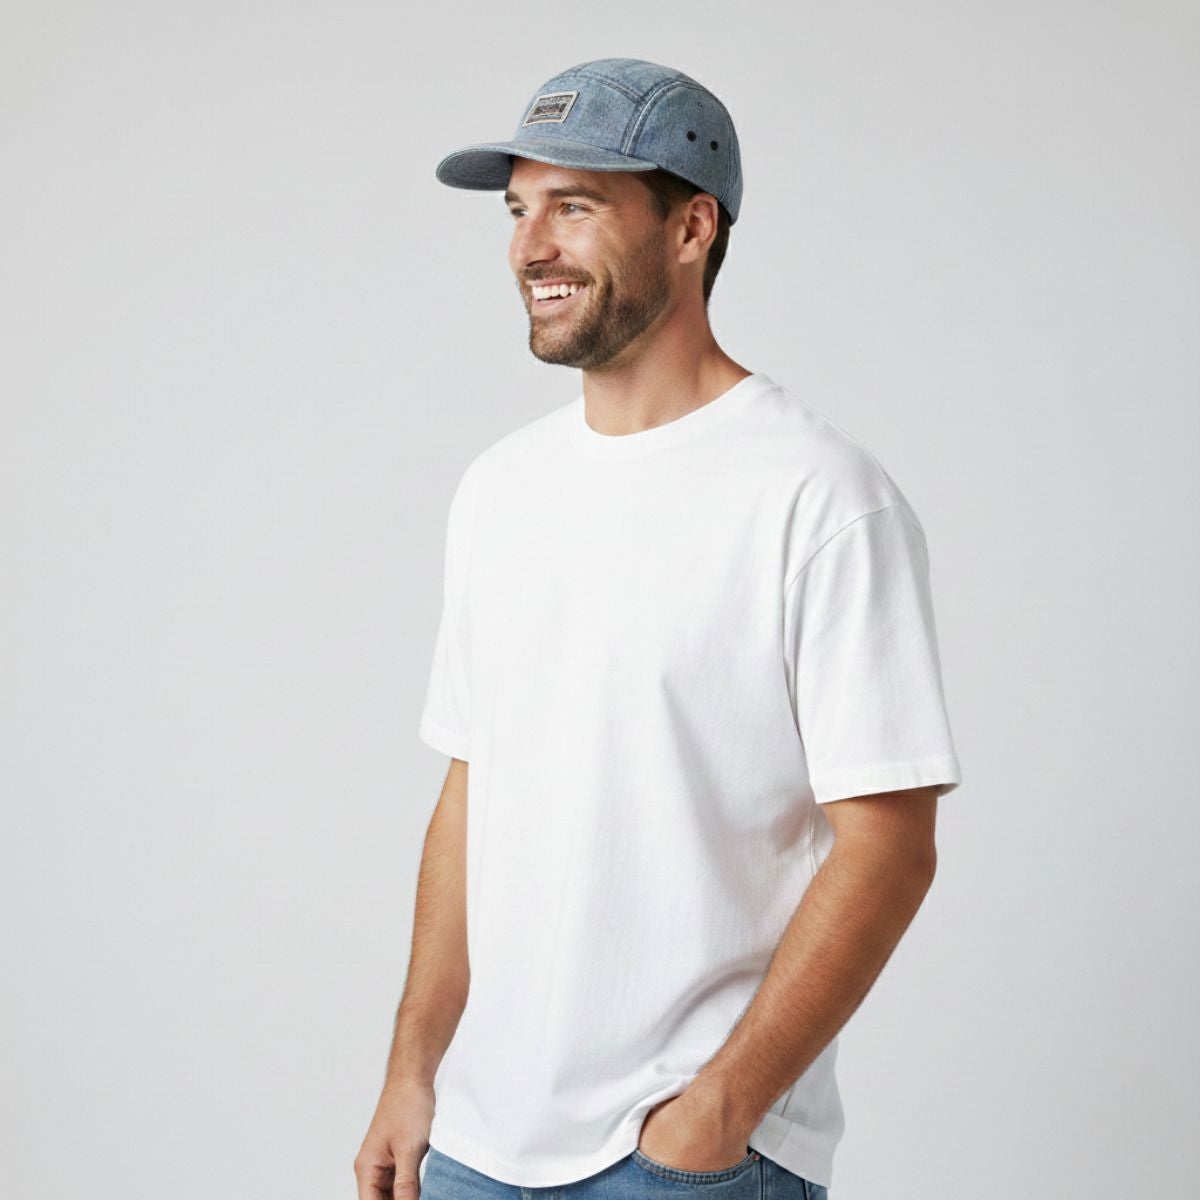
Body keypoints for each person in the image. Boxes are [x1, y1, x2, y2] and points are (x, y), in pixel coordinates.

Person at [355, 57, 963, 1200]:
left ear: (692, 229)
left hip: (680, 1160)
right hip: (474, 1146)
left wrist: (720, 1112)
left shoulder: (820, 499)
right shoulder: (499, 489)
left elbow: (890, 845)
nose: (530, 248)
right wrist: (412, 1070)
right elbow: (472, 791)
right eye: (518, 210)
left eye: (574, 208)